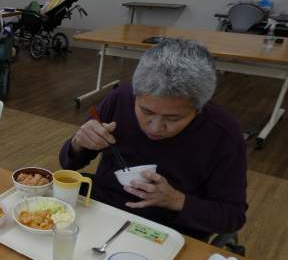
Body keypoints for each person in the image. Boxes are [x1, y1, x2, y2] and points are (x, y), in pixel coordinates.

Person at [59, 38, 248, 240]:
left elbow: (232, 216)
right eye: (146, 111)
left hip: (168, 231)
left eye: (172, 118)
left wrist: (176, 200)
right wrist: (78, 142)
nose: (155, 127)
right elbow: (68, 163)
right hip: (102, 210)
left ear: (198, 109)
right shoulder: (120, 99)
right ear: (136, 95)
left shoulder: (222, 134)